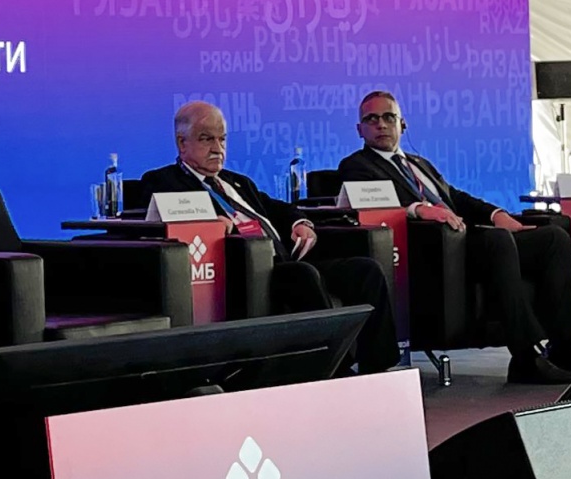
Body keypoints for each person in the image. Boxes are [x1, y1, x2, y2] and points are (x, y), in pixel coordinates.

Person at [339, 90, 571, 385]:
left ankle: (564, 347)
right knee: (497, 241)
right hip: (433, 251)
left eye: (388, 117)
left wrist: (496, 214)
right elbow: (375, 205)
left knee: (553, 239)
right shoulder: (357, 165)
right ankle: (525, 357)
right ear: (360, 129)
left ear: (402, 124)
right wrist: (419, 209)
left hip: (468, 240)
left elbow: (456, 197)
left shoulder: (419, 163)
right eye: (371, 119)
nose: (381, 124)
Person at [140, 101, 400, 373]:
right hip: (248, 271)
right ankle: (336, 370)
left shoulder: (237, 182)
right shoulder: (163, 181)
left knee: (365, 270)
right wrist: (207, 225)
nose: (217, 148)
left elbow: (276, 207)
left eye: (222, 139)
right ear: (182, 143)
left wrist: (300, 223)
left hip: (286, 259)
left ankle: (379, 368)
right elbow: (168, 220)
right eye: (206, 139)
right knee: (303, 274)